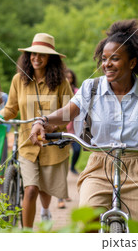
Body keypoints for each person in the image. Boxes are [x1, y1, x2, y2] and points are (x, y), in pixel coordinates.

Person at [30, 19, 138, 232]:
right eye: (104, 59)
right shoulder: (92, 87)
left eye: (115, 59)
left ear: (132, 62)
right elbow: (69, 112)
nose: (107, 64)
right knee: (86, 225)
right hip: (99, 165)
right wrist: (42, 121)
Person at [0, 33, 73, 228]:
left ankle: (45, 211)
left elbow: (69, 114)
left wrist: (50, 126)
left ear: (50, 58)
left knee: (45, 189)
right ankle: (26, 234)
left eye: (42, 55)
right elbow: (11, 109)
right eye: (33, 54)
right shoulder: (18, 80)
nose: (36, 58)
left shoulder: (62, 82)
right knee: (31, 189)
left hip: (52, 143)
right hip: (27, 145)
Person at [57, 69, 80, 209]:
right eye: (66, 77)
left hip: (75, 129)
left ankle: (73, 167)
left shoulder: (77, 91)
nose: (68, 79)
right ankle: (61, 196)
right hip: (62, 130)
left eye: (70, 77)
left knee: (77, 150)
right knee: (62, 165)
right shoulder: (59, 91)